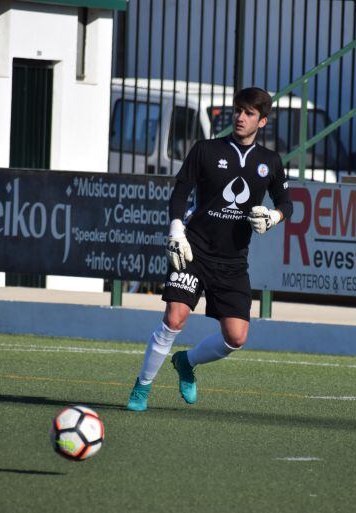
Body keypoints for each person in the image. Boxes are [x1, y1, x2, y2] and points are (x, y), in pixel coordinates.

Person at [126, 87, 293, 412]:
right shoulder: (205, 150)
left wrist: (275, 216)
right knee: (174, 318)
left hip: (232, 260)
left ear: (263, 121)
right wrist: (176, 227)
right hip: (194, 250)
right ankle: (141, 388)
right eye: (237, 111)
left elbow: (287, 201)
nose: (240, 117)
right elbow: (180, 192)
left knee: (236, 337)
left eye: (248, 113)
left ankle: (186, 363)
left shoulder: (269, 161)